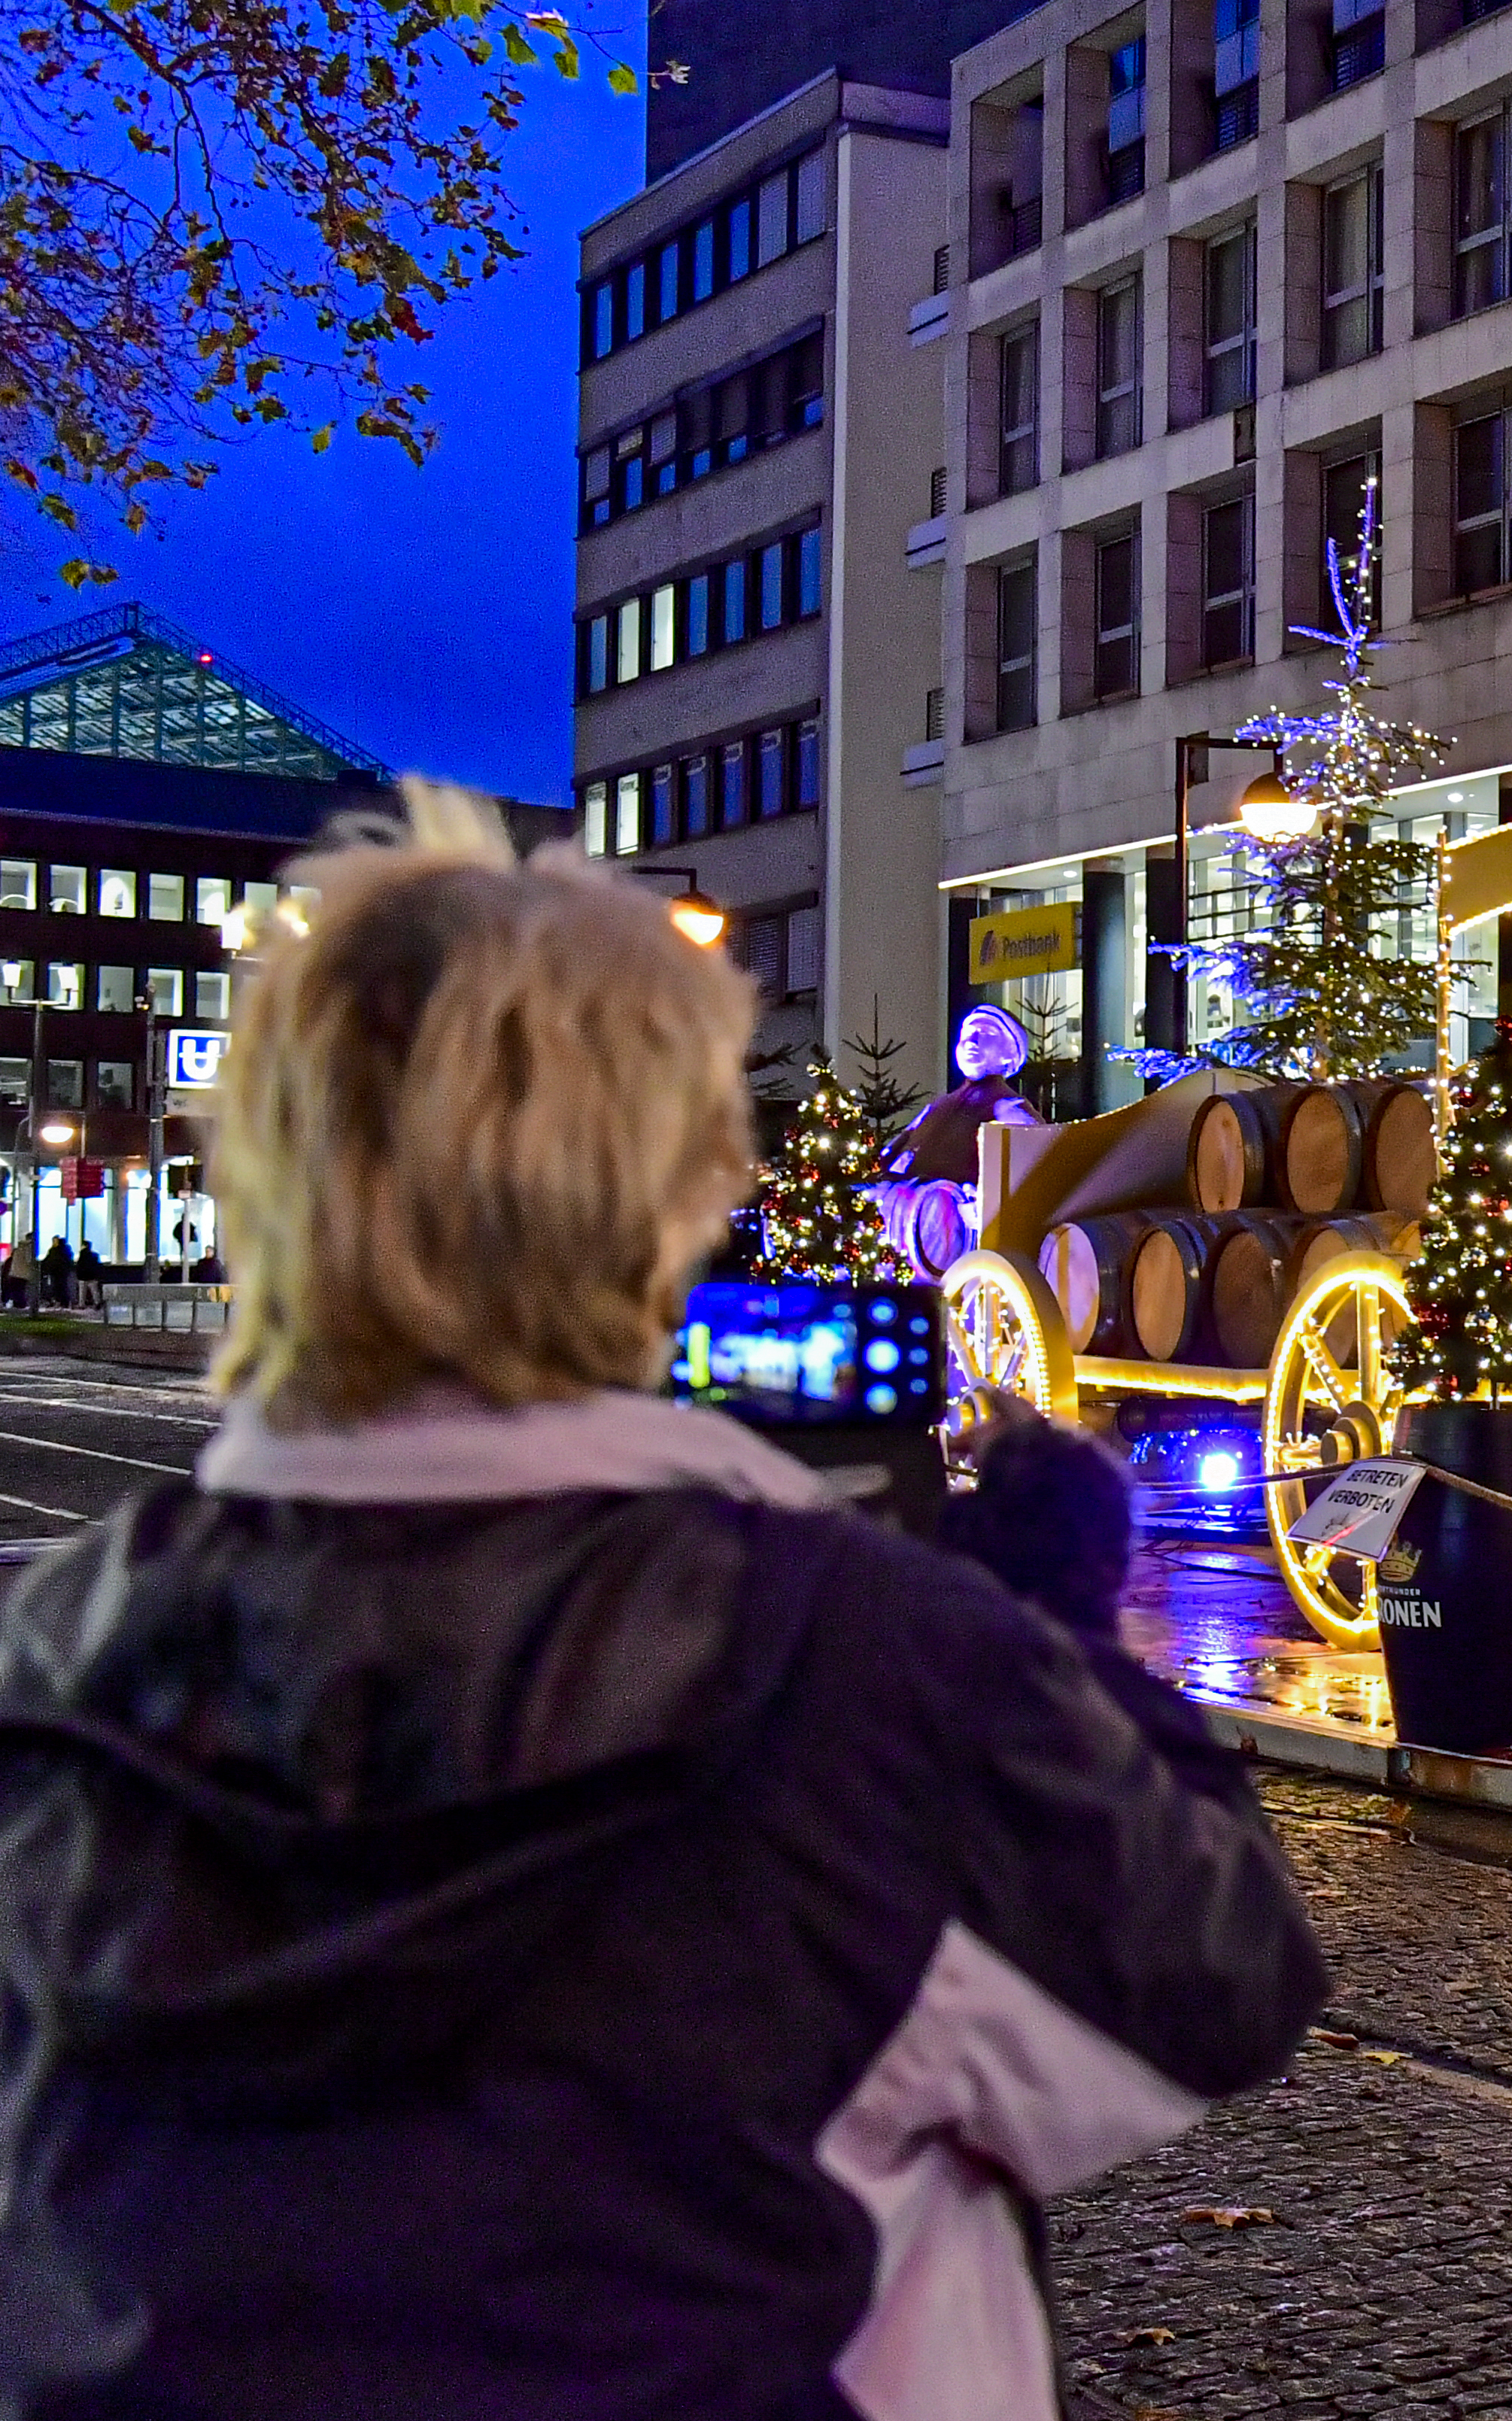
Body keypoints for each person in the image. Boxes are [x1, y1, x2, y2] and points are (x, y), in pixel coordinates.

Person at [0, 788, 1327, 2418]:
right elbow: (1220, 1972)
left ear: (265, 1173)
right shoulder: (874, 1670)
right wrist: (1060, 1637)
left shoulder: (44, 1658)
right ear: (680, 1185)